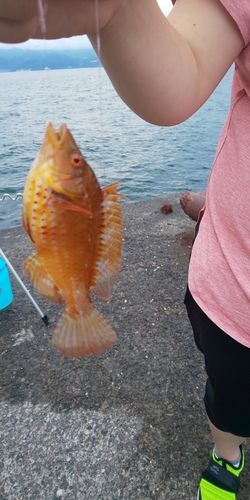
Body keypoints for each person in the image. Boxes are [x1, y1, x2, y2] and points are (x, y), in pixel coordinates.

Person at [1, 1, 249, 499]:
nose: (66, 151)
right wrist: (114, 12)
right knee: (229, 397)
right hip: (236, 296)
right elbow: (181, 70)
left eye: (72, 157)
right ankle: (228, 454)